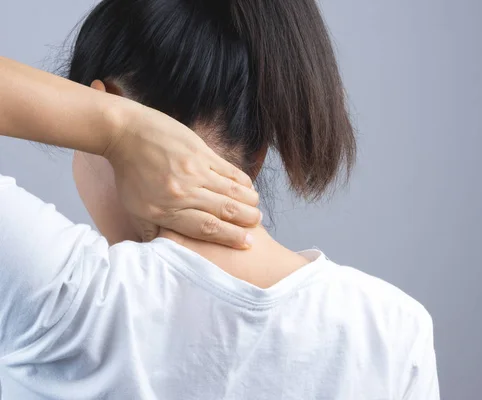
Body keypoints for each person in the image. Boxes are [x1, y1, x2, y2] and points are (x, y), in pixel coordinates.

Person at [0, 0, 439, 399]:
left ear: (103, 104)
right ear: (258, 150)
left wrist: (117, 131)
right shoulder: (391, 330)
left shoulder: (60, 295)